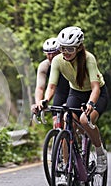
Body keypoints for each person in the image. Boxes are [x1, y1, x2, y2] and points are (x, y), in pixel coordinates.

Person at [37, 26, 109, 173]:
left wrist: (91, 103)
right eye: (63, 48)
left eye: (70, 49)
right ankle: (68, 164)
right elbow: (51, 87)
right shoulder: (58, 60)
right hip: (75, 93)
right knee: (66, 122)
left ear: (79, 48)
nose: (66, 52)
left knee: (84, 120)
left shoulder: (89, 59)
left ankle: (100, 152)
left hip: (96, 94)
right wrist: (45, 101)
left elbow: (96, 87)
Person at [31, 37, 70, 128]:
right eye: (48, 54)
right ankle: (58, 140)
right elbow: (40, 88)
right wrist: (39, 103)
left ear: (60, 52)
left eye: (54, 53)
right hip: (60, 92)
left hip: (73, 90)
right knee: (56, 121)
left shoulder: (67, 62)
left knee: (68, 119)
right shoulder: (44, 66)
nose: (51, 57)